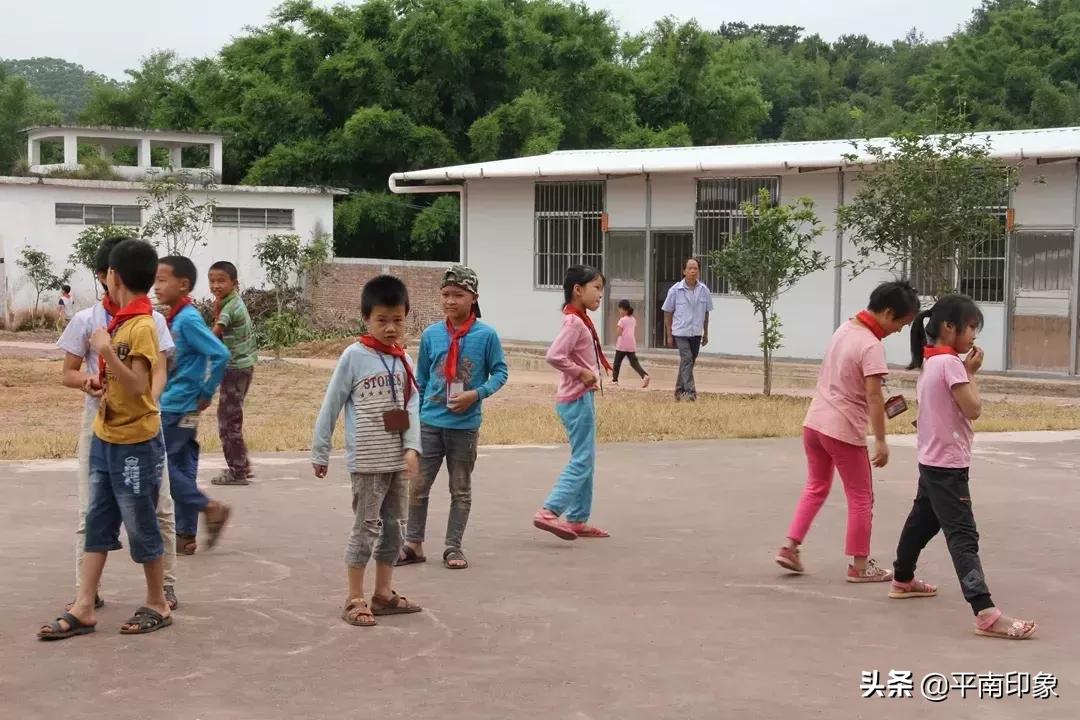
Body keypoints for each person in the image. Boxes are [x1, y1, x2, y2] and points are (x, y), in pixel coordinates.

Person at [39, 239, 173, 640]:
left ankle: (157, 602)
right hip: (105, 434)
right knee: (98, 517)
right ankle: (84, 605)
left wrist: (106, 353)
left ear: (112, 276)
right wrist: (96, 379)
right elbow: (110, 380)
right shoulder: (114, 323)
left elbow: (139, 387)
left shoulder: (143, 326)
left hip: (135, 442)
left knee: (141, 520)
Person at [888, 294, 1037, 639]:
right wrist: (972, 374)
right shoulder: (952, 365)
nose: (973, 335)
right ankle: (984, 611)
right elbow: (972, 409)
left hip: (931, 460)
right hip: (948, 465)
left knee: (921, 523)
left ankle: (902, 578)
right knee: (963, 535)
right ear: (949, 326)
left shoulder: (931, 362)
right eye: (971, 327)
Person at [775, 281, 920, 581]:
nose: (899, 331)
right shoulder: (871, 345)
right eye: (900, 324)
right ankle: (860, 565)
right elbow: (874, 397)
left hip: (814, 422)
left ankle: (790, 546)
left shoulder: (843, 329)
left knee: (816, 486)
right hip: (843, 429)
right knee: (861, 496)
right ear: (888, 312)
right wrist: (881, 440)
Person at [311, 275, 424, 627]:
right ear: (366, 318)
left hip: (396, 462)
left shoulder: (404, 358)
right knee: (366, 527)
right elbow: (331, 403)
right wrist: (321, 449)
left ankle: (383, 593)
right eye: (382, 320)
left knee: (395, 529)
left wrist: (412, 447)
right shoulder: (354, 356)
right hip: (367, 462)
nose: (391, 328)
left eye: (398, 320)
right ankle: (354, 597)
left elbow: (413, 404)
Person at [397, 265, 509, 570]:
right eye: (445, 295)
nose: (450, 301)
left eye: (458, 295)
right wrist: (411, 425)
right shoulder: (432, 334)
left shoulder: (486, 335)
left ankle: (453, 546)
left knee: (460, 489)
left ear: (473, 298)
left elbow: (500, 372)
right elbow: (418, 380)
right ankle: (413, 543)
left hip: (465, 427)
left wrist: (477, 394)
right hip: (430, 424)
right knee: (418, 487)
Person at [155, 256, 233, 556]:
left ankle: (209, 507)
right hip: (179, 403)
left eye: (163, 280)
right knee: (182, 468)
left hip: (177, 405)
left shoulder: (187, 319)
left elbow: (220, 353)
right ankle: (186, 535)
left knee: (159, 466)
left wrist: (205, 390)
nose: (156, 285)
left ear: (183, 284)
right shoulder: (173, 317)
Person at [533, 265, 611, 541]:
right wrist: (581, 372)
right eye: (597, 288)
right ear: (578, 290)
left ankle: (578, 518)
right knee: (582, 460)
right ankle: (549, 510)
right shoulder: (574, 322)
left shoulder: (580, 320)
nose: (601, 294)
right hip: (576, 398)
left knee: (587, 457)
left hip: (581, 397)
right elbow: (554, 355)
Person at [208, 261, 257, 486]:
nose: (216, 285)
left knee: (227, 421)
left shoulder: (231, 307)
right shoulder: (228, 301)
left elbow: (214, 335)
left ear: (234, 283)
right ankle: (242, 464)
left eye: (221, 281)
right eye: (212, 281)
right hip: (241, 366)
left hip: (236, 369)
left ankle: (237, 471)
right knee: (232, 417)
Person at [662, 258, 712, 401]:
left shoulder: (704, 290)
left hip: (696, 332)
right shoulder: (675, 290)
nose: (693, 271)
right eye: (690, 268)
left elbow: (706, 312)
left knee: (687, 362)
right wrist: (669, 335)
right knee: (687, 359)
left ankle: (679, 390)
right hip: (680, 332)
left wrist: (706, 333)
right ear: (684, 271)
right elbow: (667, 311)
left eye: (695, 268)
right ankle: (690, 392)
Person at [611, 299, 649, 388]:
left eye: (620, 309)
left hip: (622, 345)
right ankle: (644, 375)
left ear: (624, 310)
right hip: (631, 344)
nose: (619, 311)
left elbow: (619, 332)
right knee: (634, 362)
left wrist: (617, 337)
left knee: (617, 363)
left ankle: (614, 380)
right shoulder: (633, 319)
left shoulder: (622, 320)